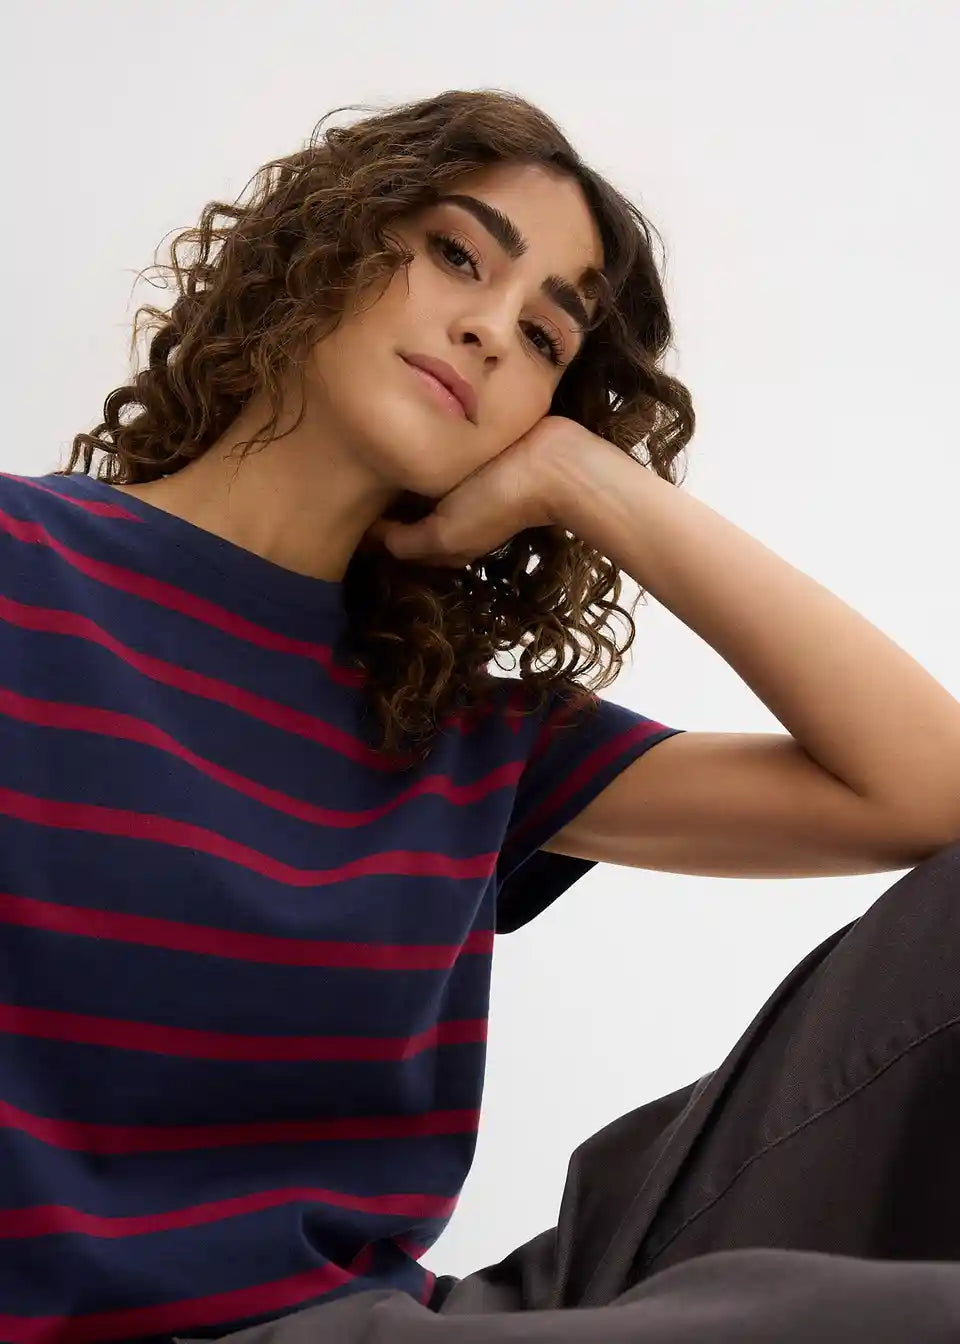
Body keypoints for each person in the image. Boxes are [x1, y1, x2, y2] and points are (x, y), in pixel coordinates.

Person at [2, 88, 960, 1344]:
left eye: (547, 338)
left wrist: (587, 480)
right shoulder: (23, 568)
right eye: (458, 255)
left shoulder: (466, 734)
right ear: (326, 245)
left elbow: (928, 792)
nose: (492, 331)